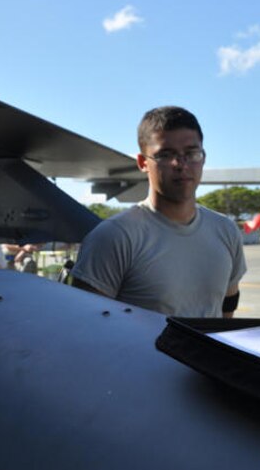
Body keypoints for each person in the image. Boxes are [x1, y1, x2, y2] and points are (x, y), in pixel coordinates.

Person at [72, 106, 246, 318]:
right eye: (165, 155)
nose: (180, 164)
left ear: (203, 157)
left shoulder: (225, 230)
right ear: (143, 162)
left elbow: (227, 309)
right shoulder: (114, 237)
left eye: (191, 153)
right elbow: (86, 322)